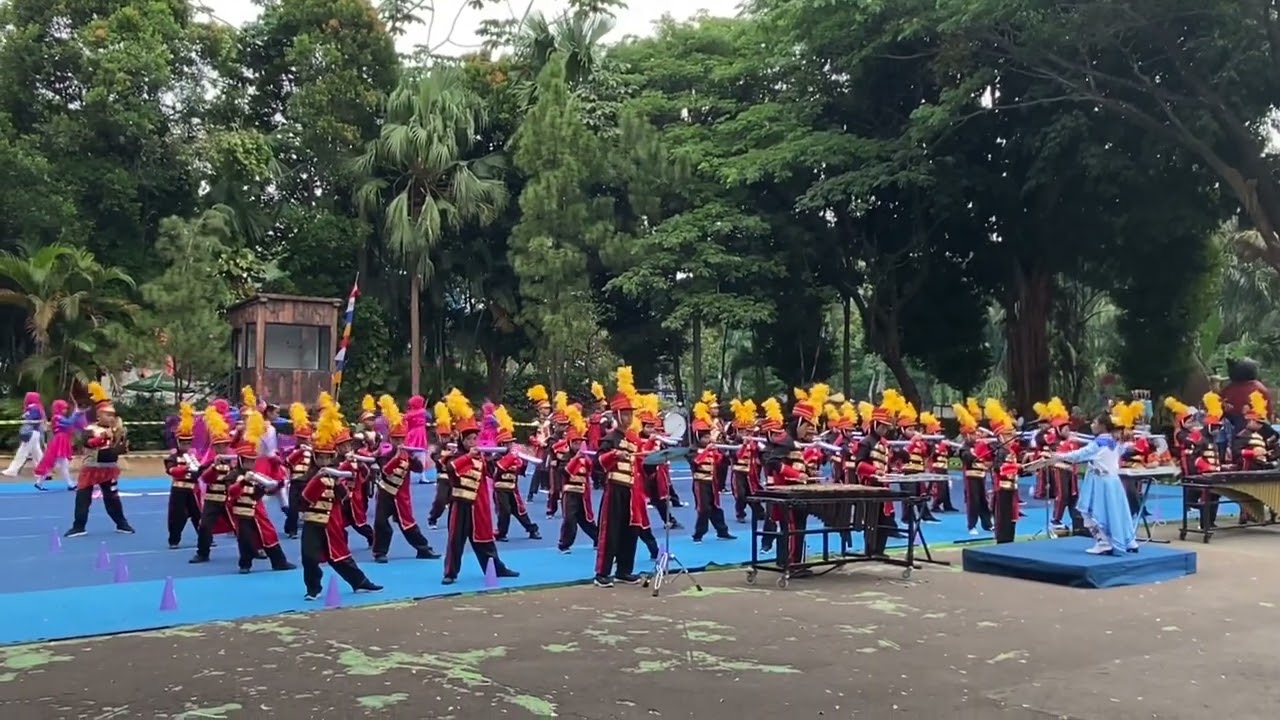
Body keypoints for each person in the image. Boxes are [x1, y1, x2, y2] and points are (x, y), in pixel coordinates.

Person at [299, 403, 381, 600]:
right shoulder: (307, 476)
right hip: (312, 521)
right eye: (321, 458)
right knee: (309, 557)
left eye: (328, 458)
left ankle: (360, 582)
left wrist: (341, 479)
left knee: (340, 556)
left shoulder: (336, 470)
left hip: (331, 521)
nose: (325, 462)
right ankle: (313, 589)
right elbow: (303, 501)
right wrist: (318, 479)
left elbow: (344, 497)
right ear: (315, 458)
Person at [443, 391, 519, 585]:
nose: (472, 443)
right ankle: (450, 573)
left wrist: (509, 456)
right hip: (460, 505)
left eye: (475, 439)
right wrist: (469, 456)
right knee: (455, 541)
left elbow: (494, 472)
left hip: (477, 507)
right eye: (468, 440)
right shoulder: (455, 456)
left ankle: (497, 568)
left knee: (484, 540)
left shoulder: (482, 458)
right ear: (462, 441)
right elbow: (451, 469)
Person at [1053, 411, 1139, 555]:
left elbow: (1078, 455)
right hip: (1114, 482)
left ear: (1102, 426)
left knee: (1090, 512)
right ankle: (1129, 541)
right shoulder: (1115, 441)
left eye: (1094, 422)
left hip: (1100, 483)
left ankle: (1104, 542)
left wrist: (1058, 456)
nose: (1092, 425)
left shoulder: (1098, 443)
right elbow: (1127, 448)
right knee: (1118, 512)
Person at [371, 394, 440, 562]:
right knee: (381, 523)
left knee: (408, 523)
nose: (399, 442)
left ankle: (423, 548)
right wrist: (397, 456)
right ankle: (380, 552)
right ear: (391, 439)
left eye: (401, 439)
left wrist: (411, 457)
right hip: (386, 493)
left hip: (401, 495)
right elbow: (386, 470)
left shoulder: (407, 454)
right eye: (396, 439)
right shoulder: (385, 453)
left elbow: (417, 469)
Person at [594, 366, 645, 588]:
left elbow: (642, 463)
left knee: (631, 530)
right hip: (615, 489)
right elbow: (598, 462)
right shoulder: (610, 438)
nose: (628, 417)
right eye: (625, 413)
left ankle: (625, 570)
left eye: (631, 413)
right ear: (616, 415)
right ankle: (602, 573)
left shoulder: (634, 438)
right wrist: (615, 454)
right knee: (611, 531)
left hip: (632, 491)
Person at [65, 382, 135, 538]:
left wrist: (121, 447)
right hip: (91, 468)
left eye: (112, 415)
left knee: (112, 498)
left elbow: (118, 450)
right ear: (98, 414)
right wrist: (101, 438)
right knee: (83, 497)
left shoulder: (117, 431)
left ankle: (122, 523)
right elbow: (86, 443)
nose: (111, 418)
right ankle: (79, 526)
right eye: (107, 414)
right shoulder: (91, 429)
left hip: (109, 469)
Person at [557, 405, 598, 553]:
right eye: (574, 442)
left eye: (579, 442)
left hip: (582, 493)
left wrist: (586, 460)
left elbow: (589, 473)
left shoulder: (584, 458)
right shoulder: (566, 457)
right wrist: (576, 458)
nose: (577, 445)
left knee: (587, 519)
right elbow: (565, 472)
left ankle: (598, 539)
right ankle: (564, 544)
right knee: (569, 519)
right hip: (569, 493)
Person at [164, 403, 203, 549]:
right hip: (179, 489)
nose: (186, 445)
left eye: (188, 442)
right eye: (183, 442)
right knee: (177, 516)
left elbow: (201, 470)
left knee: (198, 515)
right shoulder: (174, 456)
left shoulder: (195, 455)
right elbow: (171, 470)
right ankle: (174, 540)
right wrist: (184, 469)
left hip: (194, 490)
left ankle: (205, 538)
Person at [33, 400, 80, 491]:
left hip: (60, 441)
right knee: (63, 463)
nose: (65, 410)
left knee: (54, 463)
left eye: (66, 408)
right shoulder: (57, 417)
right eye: (63, 408)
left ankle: (39, 482)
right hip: (59, 441)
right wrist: (76, 413)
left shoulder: (58, 417)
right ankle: (70, 484)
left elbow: (69, 425)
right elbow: (69, 423)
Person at [3, 391, 45, 479]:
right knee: (37, 453)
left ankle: (12, 471)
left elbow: (31, 419)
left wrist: (26, 415)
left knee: (22, 452)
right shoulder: (37, 408)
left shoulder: (33, 408)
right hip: (34, 433)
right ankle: (44, 471)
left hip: (31, 433)